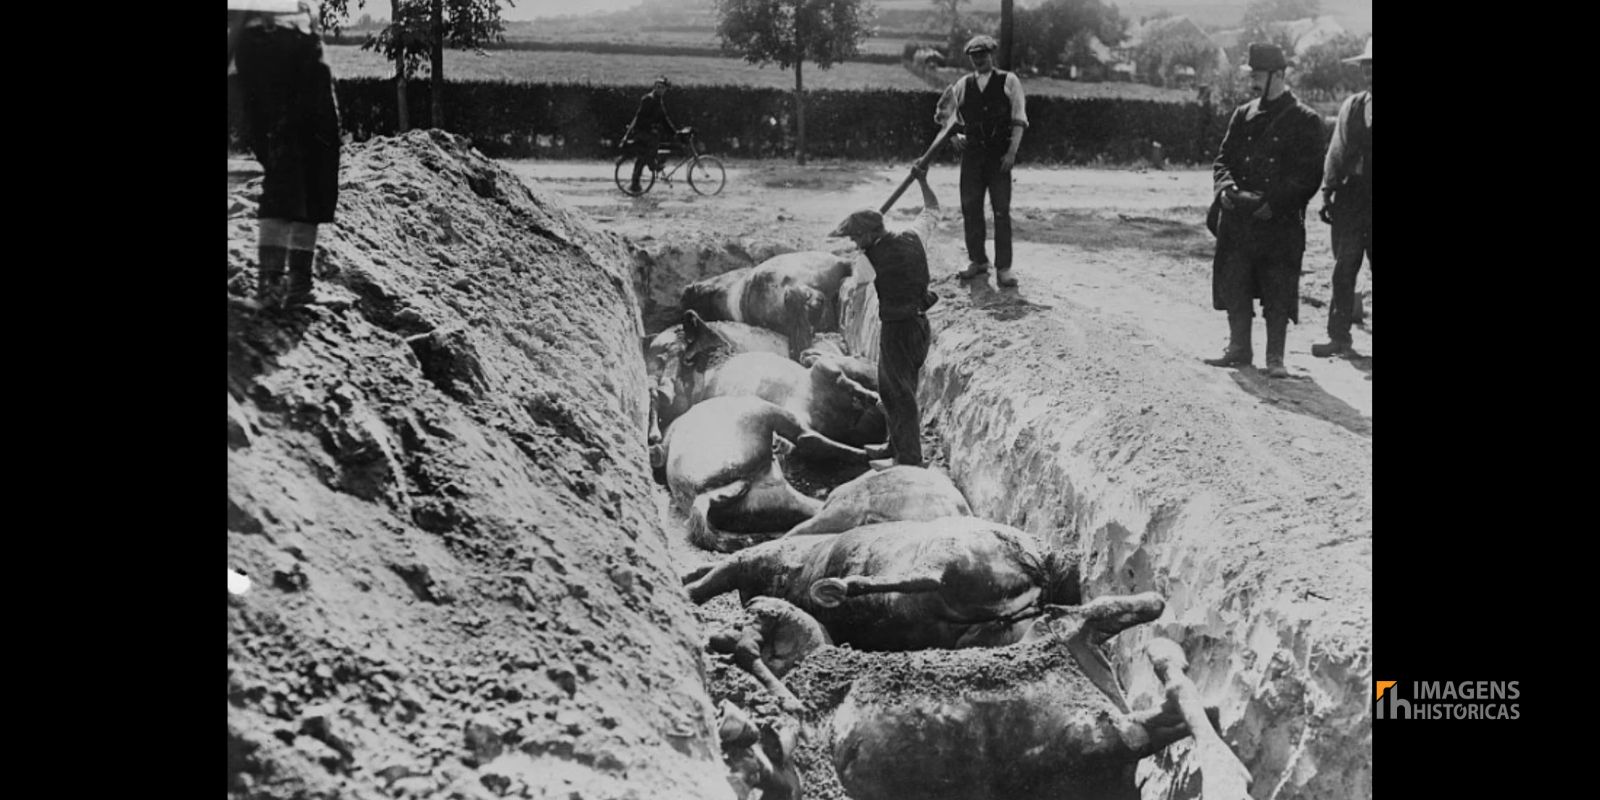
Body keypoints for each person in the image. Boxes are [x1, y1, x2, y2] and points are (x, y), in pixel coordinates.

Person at [1204, 43, 1325, 379]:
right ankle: (1239, 348)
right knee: (1235, 280)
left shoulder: (1305, 120)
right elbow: (1222, 159)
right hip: (1239, 217)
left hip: (1276, 220)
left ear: (1279, 75)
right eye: (1252, 74)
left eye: (1258, 74)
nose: (1253, 80)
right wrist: (1225, 188)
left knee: (1277, 287)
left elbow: (1309, 175)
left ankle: (1275, 358)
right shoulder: (1242, 114)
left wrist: (1273, 203)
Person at [228, 1, 342, 310]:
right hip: (268, 38)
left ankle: (300, 285)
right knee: (285, 158)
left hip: (305, 37)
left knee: (322, 154)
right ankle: (271, 287)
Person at [828, 164, 941, 470]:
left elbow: (858, 282)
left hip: (897, 330)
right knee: (896, 390)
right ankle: (895, 447)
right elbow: (932, 209)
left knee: (897, 394)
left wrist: (860, 256)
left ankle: (908, 460)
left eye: (855, 237)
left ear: (868, 235)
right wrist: (923, 181)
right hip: (920, 326)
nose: (853, 242)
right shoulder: (913, 235)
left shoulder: (868, 259)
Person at [944, 35, 1028, 288]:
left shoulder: (1008, 81)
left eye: (984, 54)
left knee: (1001, 211)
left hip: (998, 155)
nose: (979, 59)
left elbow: (1019, 118)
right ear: (970, 57)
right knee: (971, 208)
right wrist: (952, 136)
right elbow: (944, 113)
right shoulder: (963, 84)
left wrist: (1012, 152)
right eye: (974, 55)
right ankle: (977, 261)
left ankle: (1004, 268)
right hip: (972, 156)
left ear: (992, 55)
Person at [1311, 38, 1372, 359]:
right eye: (1367, 65)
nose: (1370, 71)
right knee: (1343, 269)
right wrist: (1327, 191)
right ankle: (1339, 337)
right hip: (1351, 202)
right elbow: (1336, 152)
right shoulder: (1353, 105)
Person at [625, 76, 678, 194]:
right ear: (654, 87)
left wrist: (675, 133)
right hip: (640, 132)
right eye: (657, 87)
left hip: (646, 131)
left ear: (665, 90)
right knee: (653, 140)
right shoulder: (648, 99)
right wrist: (651, 127)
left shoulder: (658, 101)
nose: (659, 89)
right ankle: (652, 165)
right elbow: (640, 119)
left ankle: (635, 185)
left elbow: (664, 119)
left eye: (662, 88)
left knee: (641, 159)